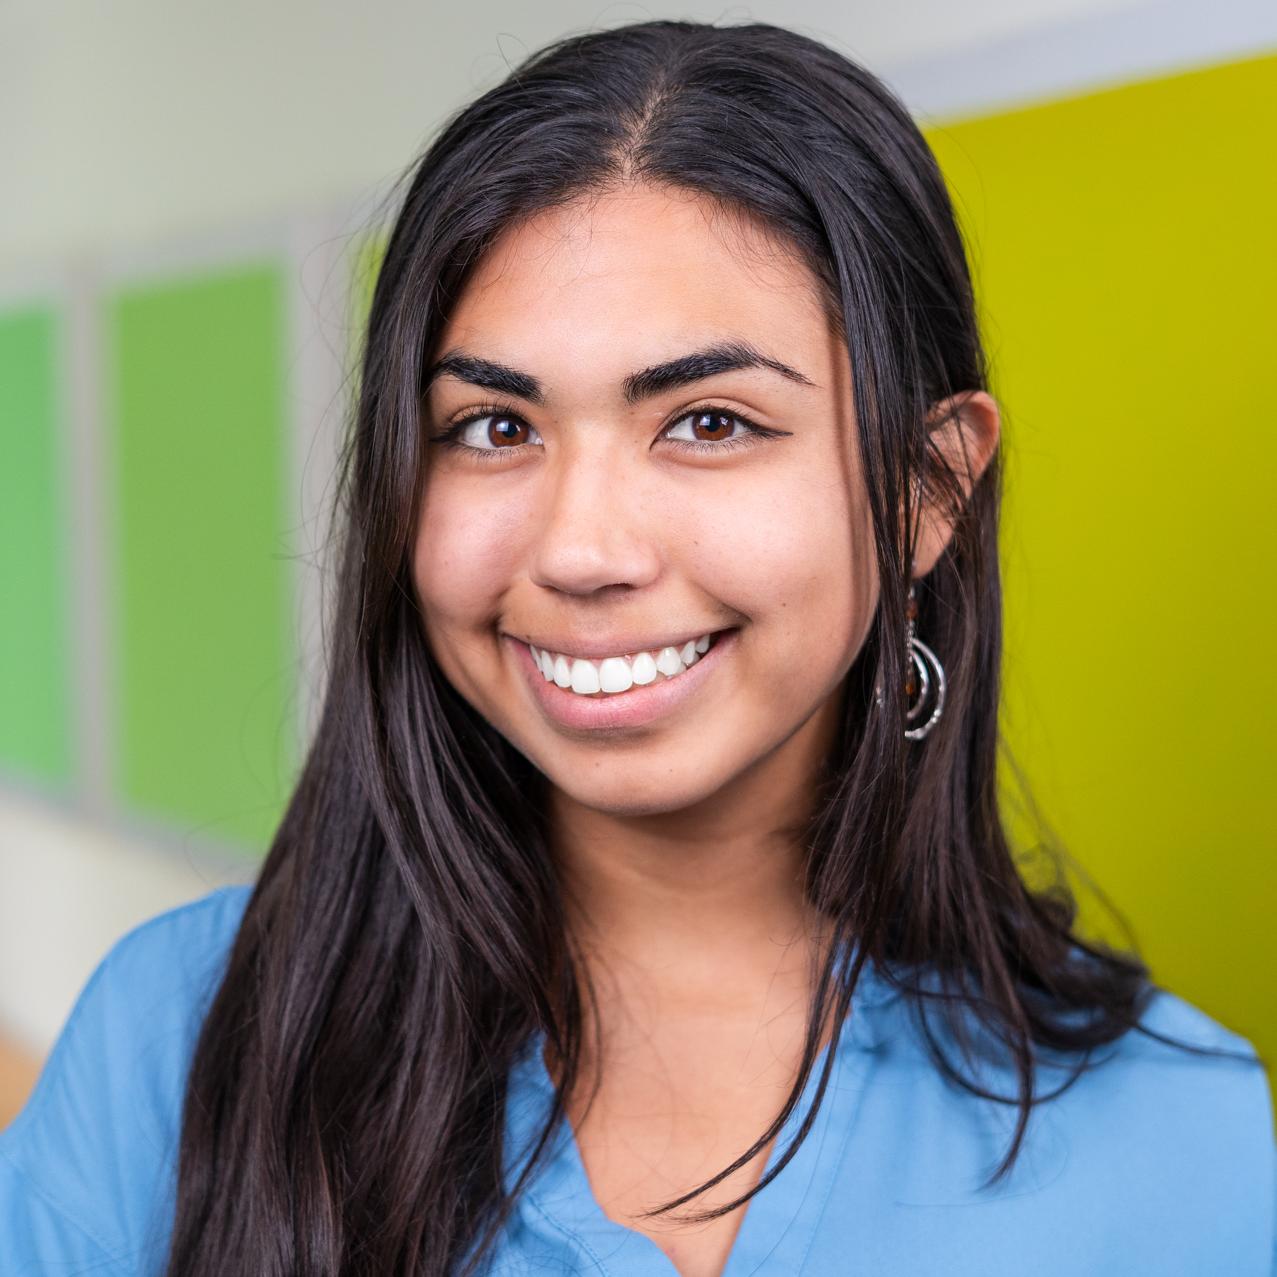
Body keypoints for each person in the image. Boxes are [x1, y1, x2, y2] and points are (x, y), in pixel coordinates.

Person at [1, 18, 1272, 1277]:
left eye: (709, 421)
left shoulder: (1183, 1142)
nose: (580, 549)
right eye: (495, 426)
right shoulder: (173, 1038)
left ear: (924, 488)